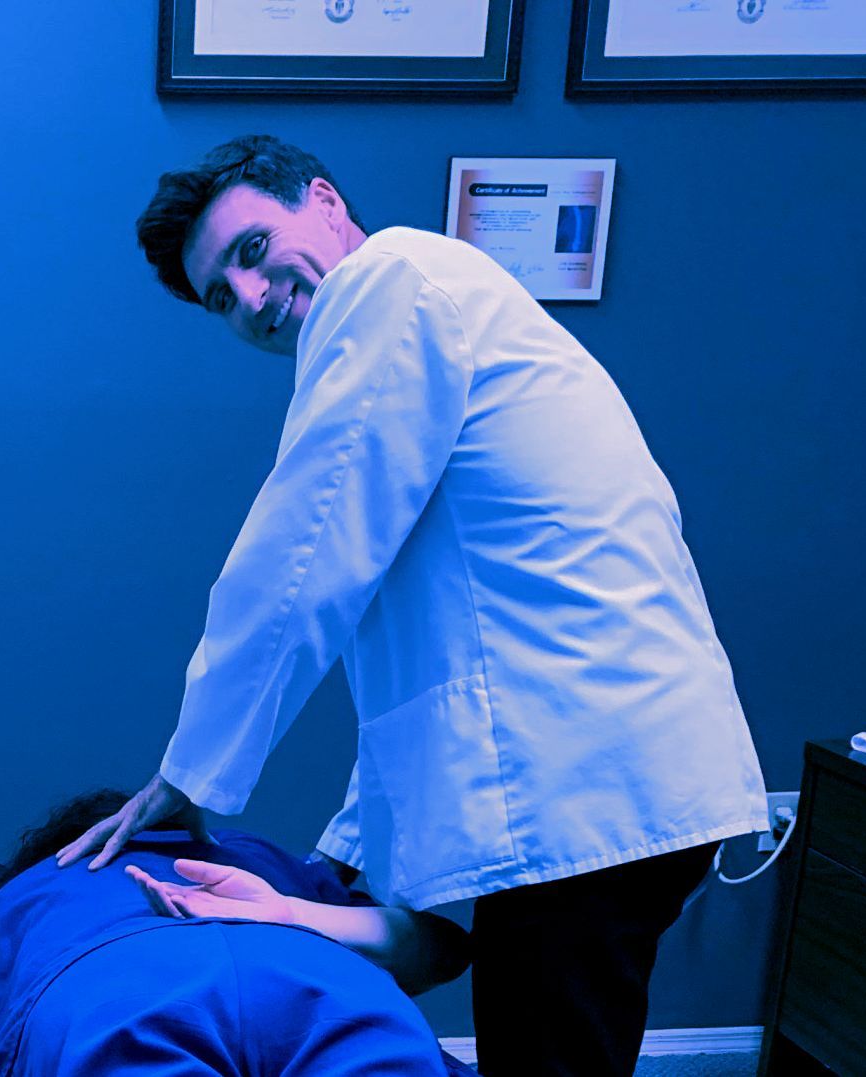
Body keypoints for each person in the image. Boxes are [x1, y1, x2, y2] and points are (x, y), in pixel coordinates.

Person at [53, 135, 769, 1076]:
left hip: (584, 775)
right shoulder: (437, 306)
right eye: (223, 297)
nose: (254, 299)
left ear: (322, 200)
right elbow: (424, 657)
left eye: (252, 250)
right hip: (596, 767)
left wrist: (187, 781)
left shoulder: (392, 281)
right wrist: (342, 867)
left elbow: (299, 554)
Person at [0, 789, 475, 1076]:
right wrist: (300, 915)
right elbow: (447, 950)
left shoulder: (34, 884)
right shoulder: (256, 860)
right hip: (322, 981)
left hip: (117, 994)